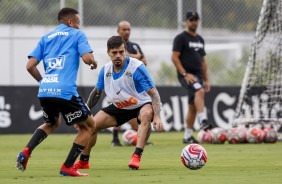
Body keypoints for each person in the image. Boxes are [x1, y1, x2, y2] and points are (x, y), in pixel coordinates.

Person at [15, 7, 97, 177]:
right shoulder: (77, 35)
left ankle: (26, 151)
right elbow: (87, 58)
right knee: (89, 126)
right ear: (70, 22)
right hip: (66, 90)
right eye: (78, 22)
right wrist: (93, 62)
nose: (78, 25)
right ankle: (67, 167)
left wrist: (43, 82)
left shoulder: (46, 37)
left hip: (46, 90)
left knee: (52, 123)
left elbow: (30, 66)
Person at [74, 36, 164, 170]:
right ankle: (83, 161)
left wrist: (157, 116)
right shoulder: (105, 70)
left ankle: (136, 156)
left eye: (121, 52)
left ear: (125, 51)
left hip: (141, 104)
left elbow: (154, 93)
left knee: (146, 114)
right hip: (119, 107)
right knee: (91, 125)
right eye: (114, 52)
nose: (118, 56)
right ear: (108, 53)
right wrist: (85, 112)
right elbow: (97, 92)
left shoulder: (137, 67)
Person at [171, 11, 213, 144]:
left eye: (196, 19)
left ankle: (187, 136)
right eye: (191, 19)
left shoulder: (200, 39)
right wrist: (184, 74)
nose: (194, 21)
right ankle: (203, 120)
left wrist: (206, 79)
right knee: (199, 91)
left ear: (198, 21)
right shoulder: (181, 38)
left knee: (192, 106)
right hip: (187, 76)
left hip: (198, 76)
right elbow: (174, 57)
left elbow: (203, 61)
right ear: (186, 21)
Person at [111, 20, 148, 146]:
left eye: (128, 29)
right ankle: (115, 138)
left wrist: (135, 57)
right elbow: (124, 57)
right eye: (124, 29)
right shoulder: (116, 45)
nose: (126, 32)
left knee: (136, 114)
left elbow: (145, 61)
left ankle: (140, 139)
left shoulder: (135, 46)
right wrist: (136, 57)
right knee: (119, 107)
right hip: (120, 84)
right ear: (118, 30)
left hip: (134, 86)